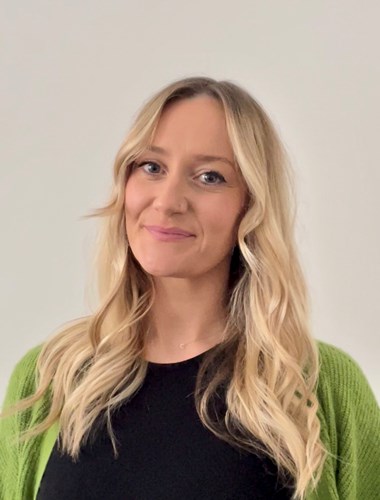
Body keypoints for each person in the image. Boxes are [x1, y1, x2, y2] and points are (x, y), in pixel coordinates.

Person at [0, 77, 379, 500]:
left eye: (210, 176)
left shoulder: (319, 388)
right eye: (152, 167)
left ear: (251, 205)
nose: (168, 200)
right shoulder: (48, 380)